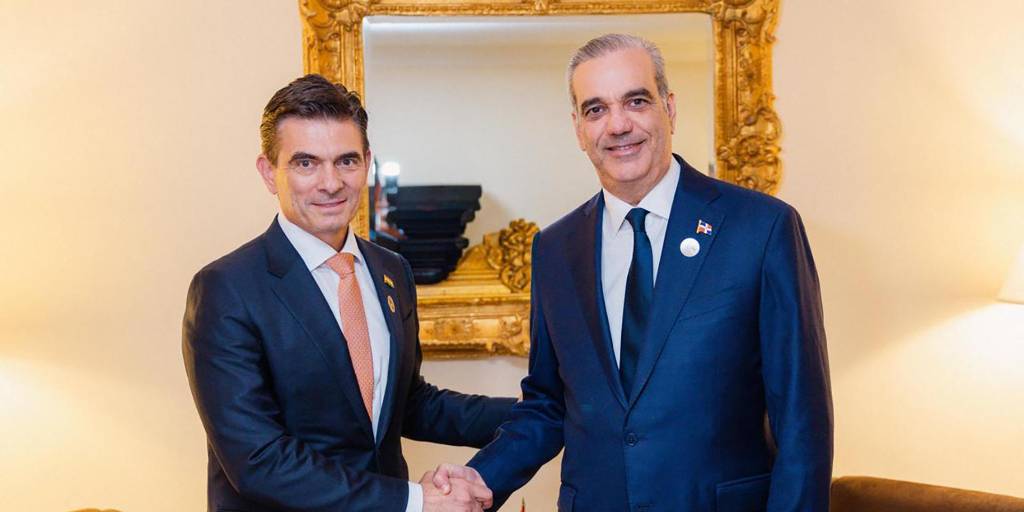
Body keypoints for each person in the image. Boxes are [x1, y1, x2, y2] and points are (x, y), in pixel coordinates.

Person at [434, 34, 833, 511]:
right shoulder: (556, 249)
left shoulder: (761, 228)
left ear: (669, 108)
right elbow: (547, 404)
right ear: (578, 129)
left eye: (636, 101)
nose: (618, 125)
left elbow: (802, 421)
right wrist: (481, 479)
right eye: (596, 109)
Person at [182, 74, 516, 512]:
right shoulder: (226, 289)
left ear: (368, 163)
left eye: (346, 161)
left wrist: (534, 411)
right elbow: (259, 462)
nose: (331, 182)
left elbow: (407, 403)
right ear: (269, 172)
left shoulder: (391, 270)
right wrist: (415, 501)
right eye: (306, 163)